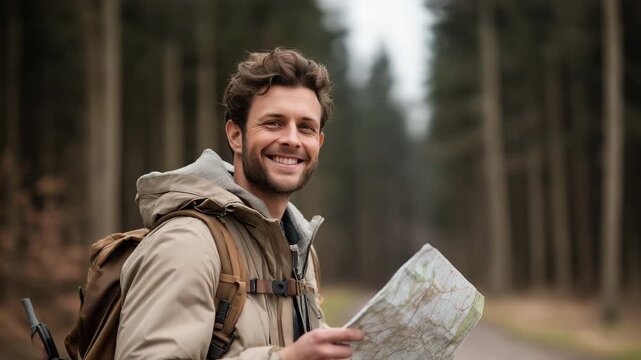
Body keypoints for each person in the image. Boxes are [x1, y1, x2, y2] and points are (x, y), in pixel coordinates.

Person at [114, 48, 364, 360]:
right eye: (273, 123)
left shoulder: (299, 250)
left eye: (305, 127)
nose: (292, 139)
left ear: (319, 142)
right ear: (236, 135)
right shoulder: (187, 244)